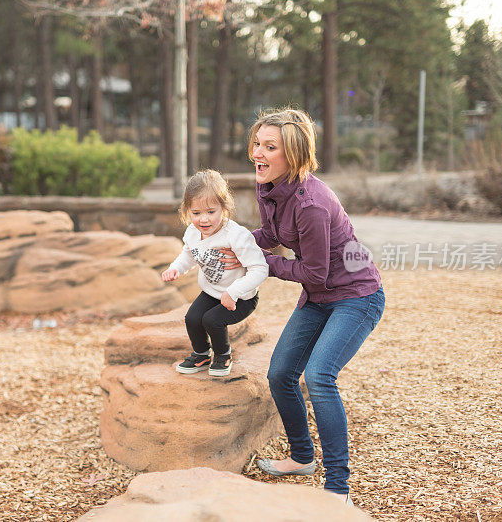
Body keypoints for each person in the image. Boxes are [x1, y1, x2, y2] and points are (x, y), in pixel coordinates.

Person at [220, 108, 384, 505]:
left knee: (320, 377)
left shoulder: (311, 203)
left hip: (356, 295)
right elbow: (273, 234)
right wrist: (235, 243)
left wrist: (256, 263)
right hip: (319, 297)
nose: (258, 153)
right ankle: (302, 457)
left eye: (269, 147)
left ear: (292, 156)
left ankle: (338, 489)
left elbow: (313, 272)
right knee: (280, 375)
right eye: (257, 143)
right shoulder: (270, 185)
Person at [162, 169, 269, 377]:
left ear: (224, 208)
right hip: (212, 292)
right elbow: (188, 255)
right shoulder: (193, 233)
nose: (204, 219)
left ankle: (223, 355)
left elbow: (260, 268)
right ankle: (201, 354)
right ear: (187, 211)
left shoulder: (236, 236)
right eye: (196, 213)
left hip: (241, 297)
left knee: (212, 320)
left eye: (211, 212)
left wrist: (234, 292)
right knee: (193, 318)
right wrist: (175, 268)